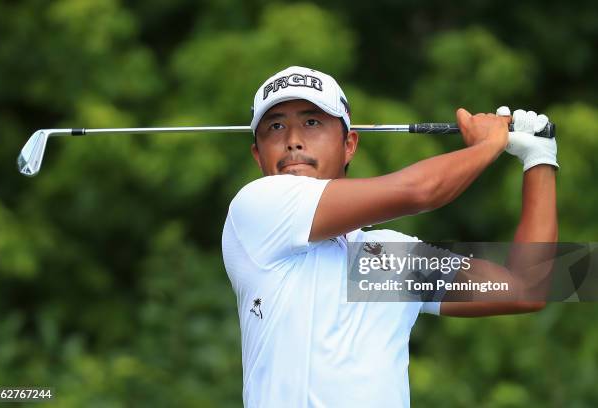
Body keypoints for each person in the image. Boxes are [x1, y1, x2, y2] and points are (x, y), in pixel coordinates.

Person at [221, 66, 558, 407]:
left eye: (312, 122)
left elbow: (529, 288)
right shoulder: (257, 210)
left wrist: (539, 159)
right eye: (275, 126)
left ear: (349, 144)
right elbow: (420, 191)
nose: (292, 140)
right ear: (257, 154)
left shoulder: (382, 261)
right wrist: (488, 145)